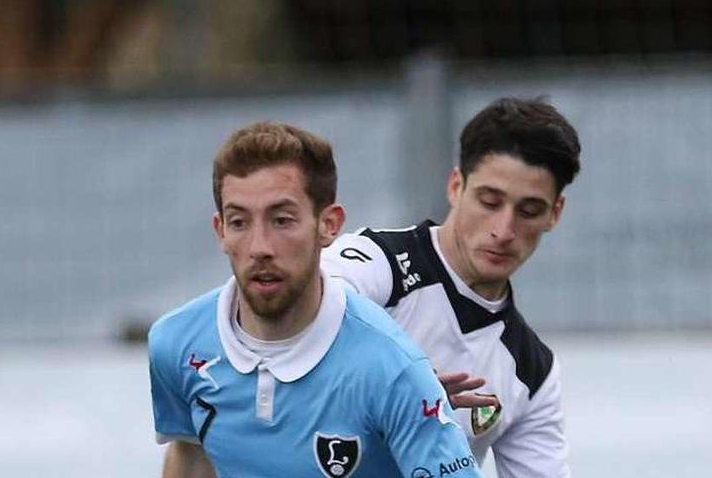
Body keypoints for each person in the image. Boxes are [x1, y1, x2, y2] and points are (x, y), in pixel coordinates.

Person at [148, 122, 482, 478]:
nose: (260, 247)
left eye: (282, 220)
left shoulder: (394, 369)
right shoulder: (175, 343)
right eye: (239, 222)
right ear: (220, 231)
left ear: (328, 225)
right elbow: (190, 455)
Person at [322, 97, 581, 478]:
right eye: (489, 201)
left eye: (528, 211)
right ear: (456, 186)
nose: (504, 230)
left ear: (554, 214)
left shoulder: (533, 372)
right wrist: (403, 395)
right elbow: (293, 331)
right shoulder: (377, 264)